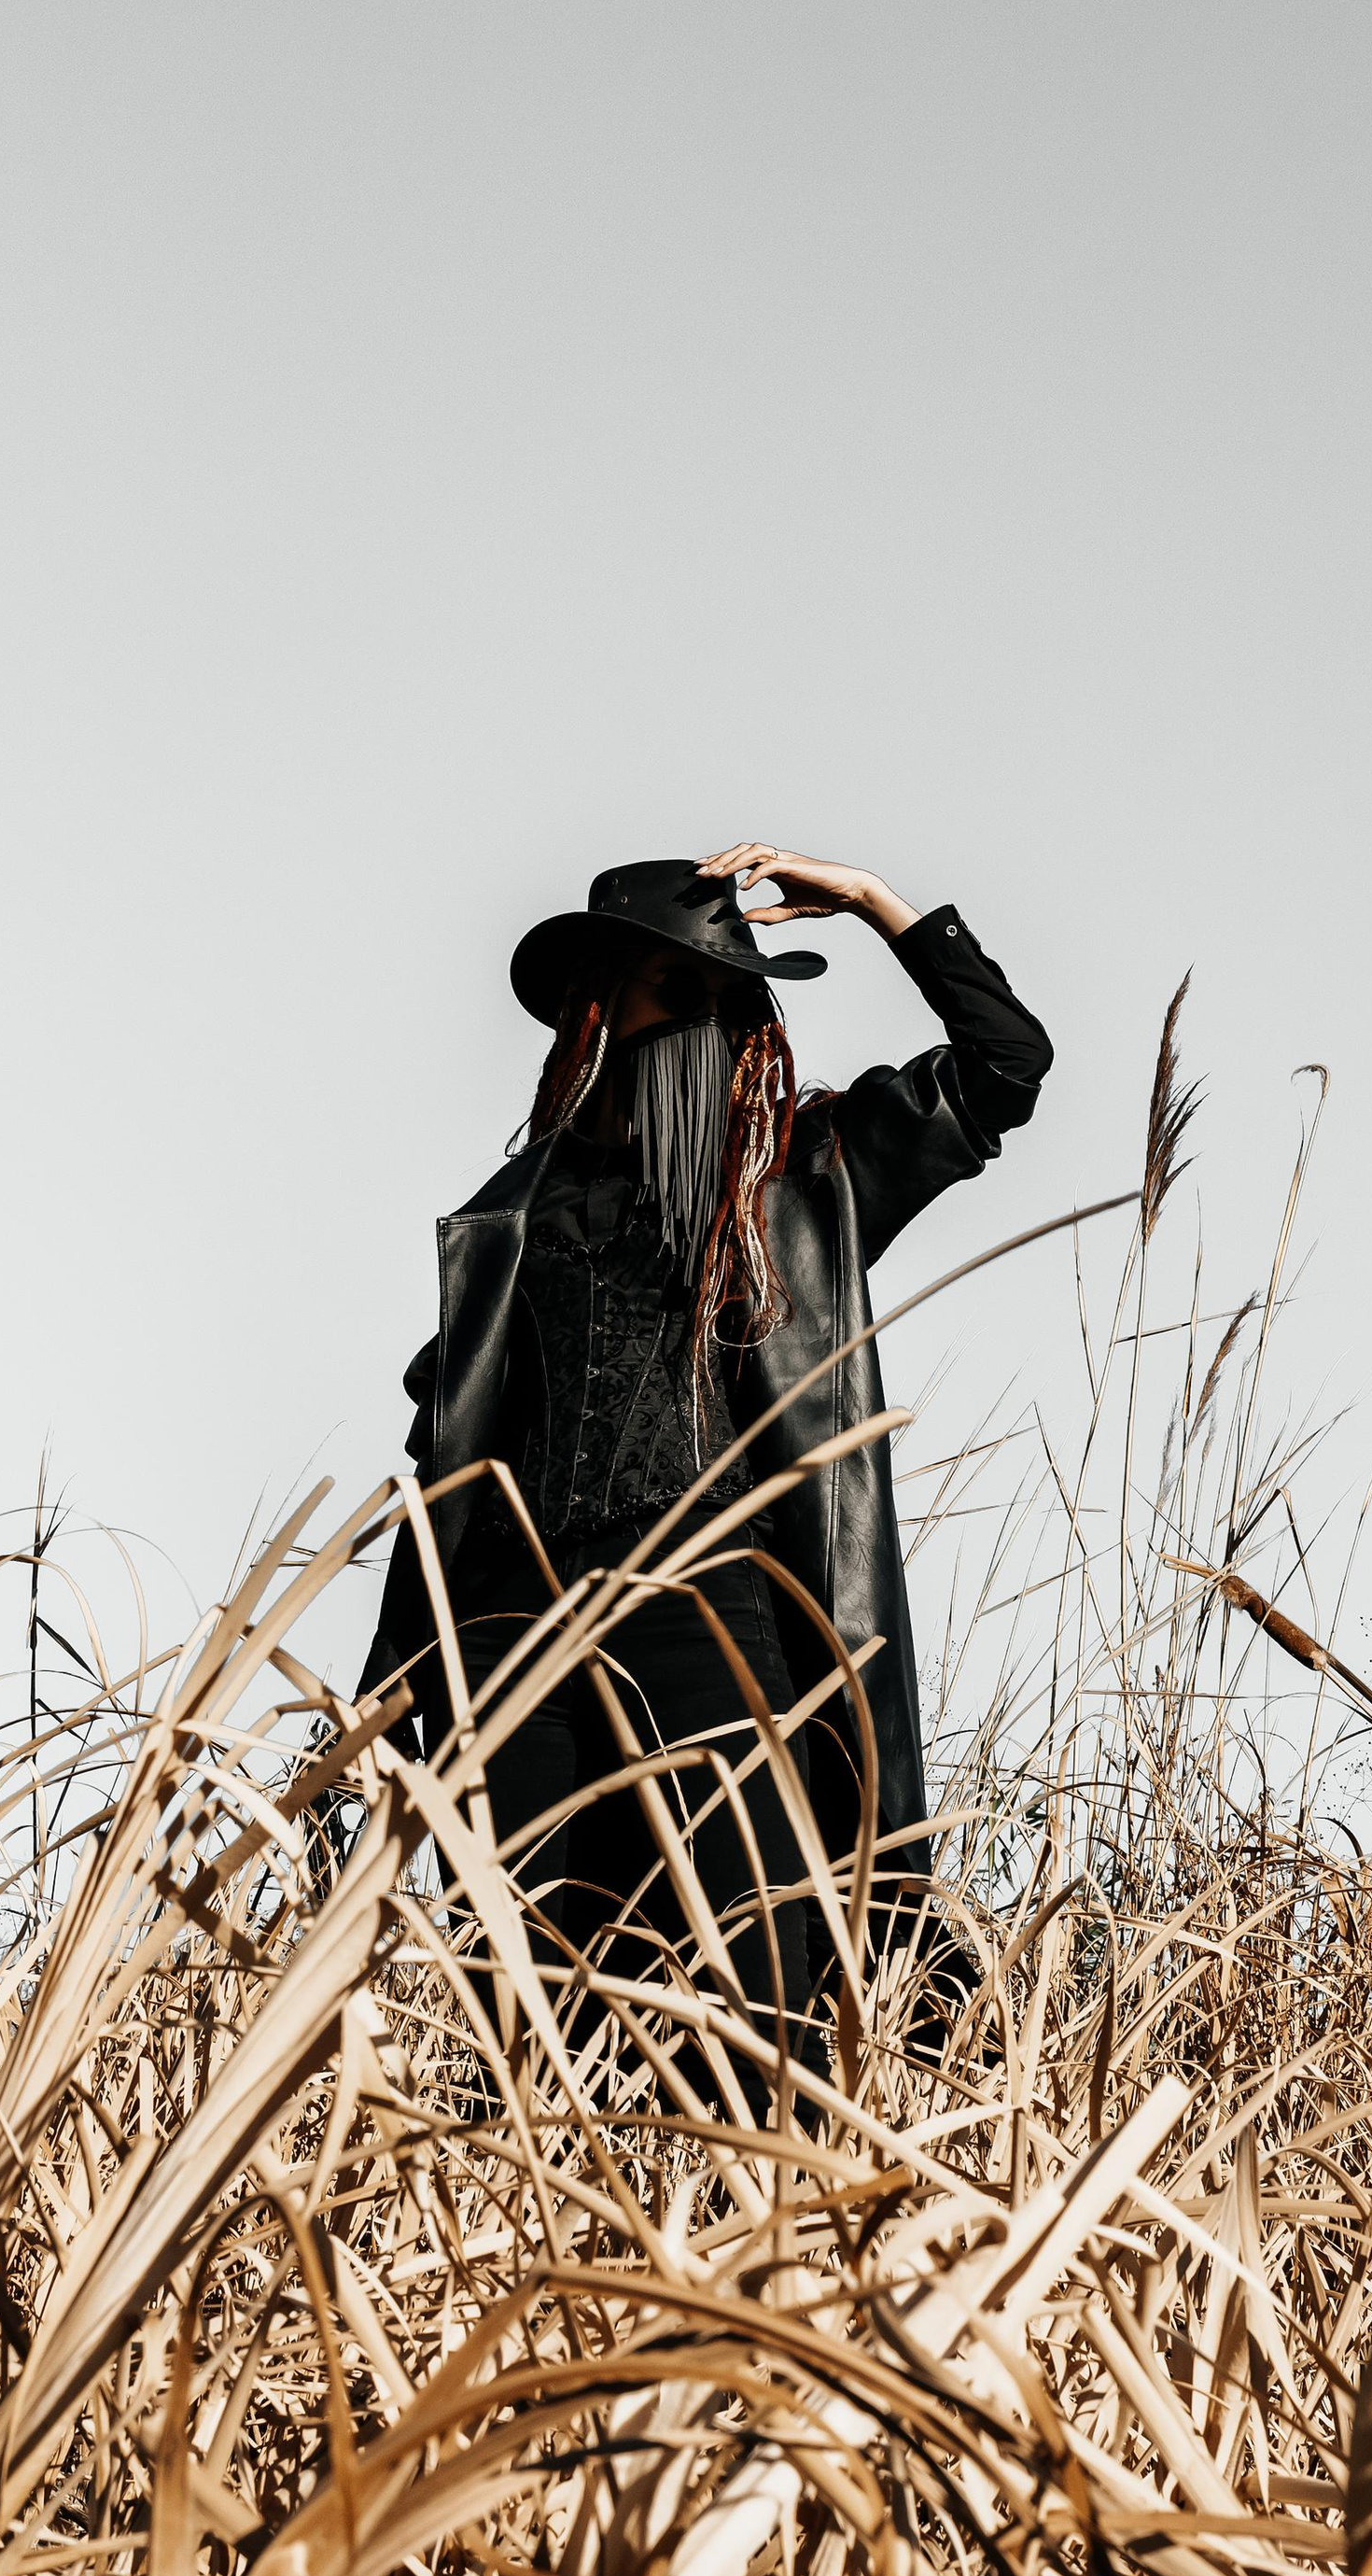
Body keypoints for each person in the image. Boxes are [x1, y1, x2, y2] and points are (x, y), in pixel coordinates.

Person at [361, 842, 1053, 2080]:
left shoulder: (802, 1173)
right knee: (528, 2012)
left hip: (712, 1620)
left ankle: (753, 2245)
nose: (632, 1015)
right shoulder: (515, 1214)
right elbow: (450, 1463)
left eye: (694, 994)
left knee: (754, 1995)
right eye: (628, 989)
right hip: (522, 1640)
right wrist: (388, 1705)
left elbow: (1006, 1067)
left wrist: (876, 905)